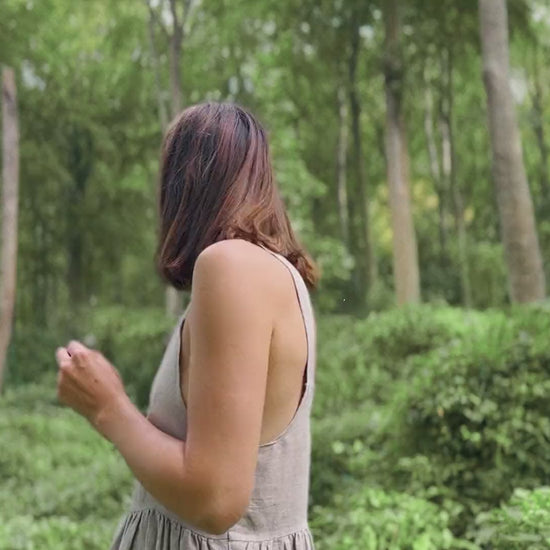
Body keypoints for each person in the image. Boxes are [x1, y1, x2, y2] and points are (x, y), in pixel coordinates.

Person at [54, 102, 320, 549]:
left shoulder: (231, 265)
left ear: (185, 180)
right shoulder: (268, 273)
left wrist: (107, 406)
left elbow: (215, 499)